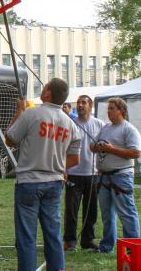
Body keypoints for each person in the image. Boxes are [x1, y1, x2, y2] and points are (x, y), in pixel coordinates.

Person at [5, 78, 81, 271]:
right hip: (54, 182)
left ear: (48, 93)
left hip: (29, 181)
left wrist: (19, 111)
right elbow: (75, 159)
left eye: (45, 86)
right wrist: (58, 166)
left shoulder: (32, 114)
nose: (43, 88)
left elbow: (10, 139)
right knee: (53, 235)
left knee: (26, 237)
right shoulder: (69, 123)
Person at [90, 97, 141, 253]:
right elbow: (92, 146)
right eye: (108, 108)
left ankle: (132, 250)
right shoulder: (105, 128)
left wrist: (112, 149)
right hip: (103, 177)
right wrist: (96, 146)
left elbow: (135, 152)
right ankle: (106, 247)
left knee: (126, 214)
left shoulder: (129, 129)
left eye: (112, 108)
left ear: (121, 110)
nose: (108, 111)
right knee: (107, 215)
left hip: (121, 176)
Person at [63, 95, 105, 251]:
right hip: (73, 173)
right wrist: (65, 169)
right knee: (71, 209)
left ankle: (87, 241)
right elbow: (63, 147)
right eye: (79, 103)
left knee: (91, 210)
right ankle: (70, 241)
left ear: (90, 106)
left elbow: (104, 147)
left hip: (93, 174)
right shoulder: (70, 123)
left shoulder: (100, 125)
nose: (80, 105)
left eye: (84, 102)